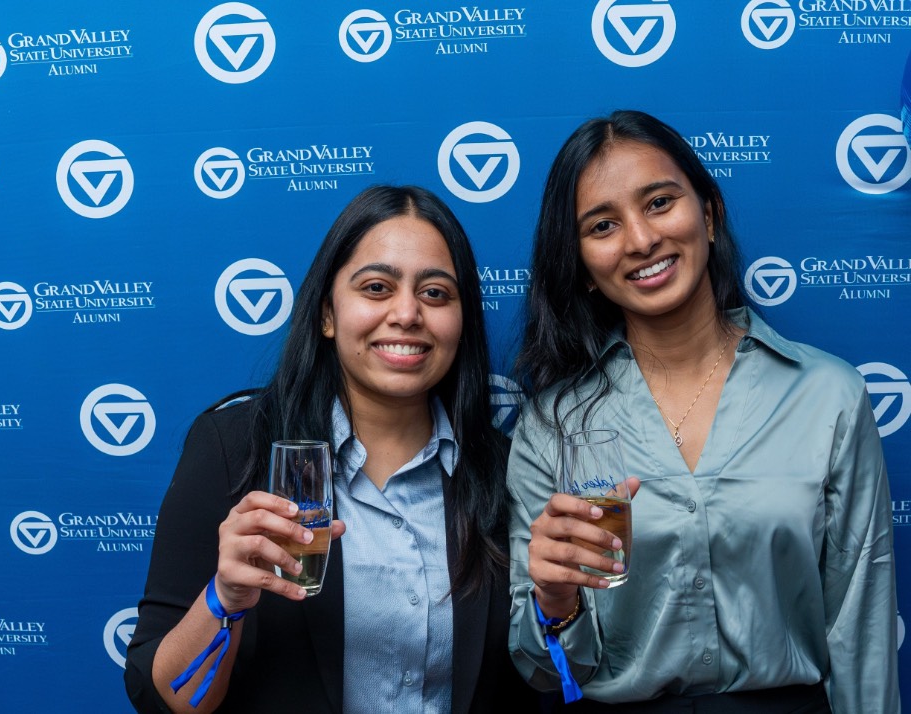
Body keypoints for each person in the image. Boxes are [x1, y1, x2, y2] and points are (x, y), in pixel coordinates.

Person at [507, 110, 899, 712]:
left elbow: (860, 629)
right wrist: (553, 603)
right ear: (582, 265)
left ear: (709, 215)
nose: (640, 240)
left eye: (660, 202)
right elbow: (547, 672)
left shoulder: (828, 395)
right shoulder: (550, 426)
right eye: (603, 225)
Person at [125, 184, 539, 714]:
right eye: (376, 288)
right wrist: (223, 597)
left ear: (462, 322)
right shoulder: (234, 450)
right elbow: (164, 698)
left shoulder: (504, 470)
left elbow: (541, 681)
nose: (407, 313)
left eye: (435, 293)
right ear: (326, 313)